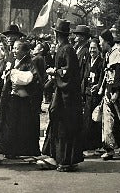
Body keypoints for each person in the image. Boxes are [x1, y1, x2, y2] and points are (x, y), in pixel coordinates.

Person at [0, 39, 41, 164]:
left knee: (21, 127)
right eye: (14, 48)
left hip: (22, 101)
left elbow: (36, 82)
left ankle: (26, 153)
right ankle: (3, 152)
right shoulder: (10, 61)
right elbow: (4, 78)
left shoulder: (29, 64)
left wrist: (24, 88)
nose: (14, 51)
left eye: (18, 48)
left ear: (26, 51)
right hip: (8, 99)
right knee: (7, 125)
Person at [39, 19, 83, 172]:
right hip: (62, 92)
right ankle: (56, 156)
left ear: (56, 33)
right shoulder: (62, 48)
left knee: (64, 124)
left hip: (67, 96)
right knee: (57, 121)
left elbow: (69, 72)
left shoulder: (67, 49)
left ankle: (65, 160)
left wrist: (55, 72)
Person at [98, 29, 120, 160]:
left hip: (114, 89)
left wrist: (116, 92)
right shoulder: (108, 53)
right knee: (112, 120)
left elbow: (118, 73)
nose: (100, 44)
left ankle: (112, 147)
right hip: (108, 88)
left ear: (106, 41)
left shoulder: (116, 53)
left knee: (111, 120)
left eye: (101, 42)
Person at [82, 38, 103, 156]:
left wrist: (98, 85)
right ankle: (88, 145)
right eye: (90, 48)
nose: (92, 50)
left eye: (94, 48)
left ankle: (96, 145)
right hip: (87, 93)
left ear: (98, 49)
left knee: (95, 120)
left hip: (96, 94)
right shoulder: (88, 60)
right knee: (87, 120)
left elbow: (102, 76)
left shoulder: (101, 61)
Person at [72, 25, 91, 101]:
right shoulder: (77, 49)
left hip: (80, 84)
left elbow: (85, 71)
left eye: (77, 36)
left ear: (82, 38)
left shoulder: (86, 51)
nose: (75, 39)